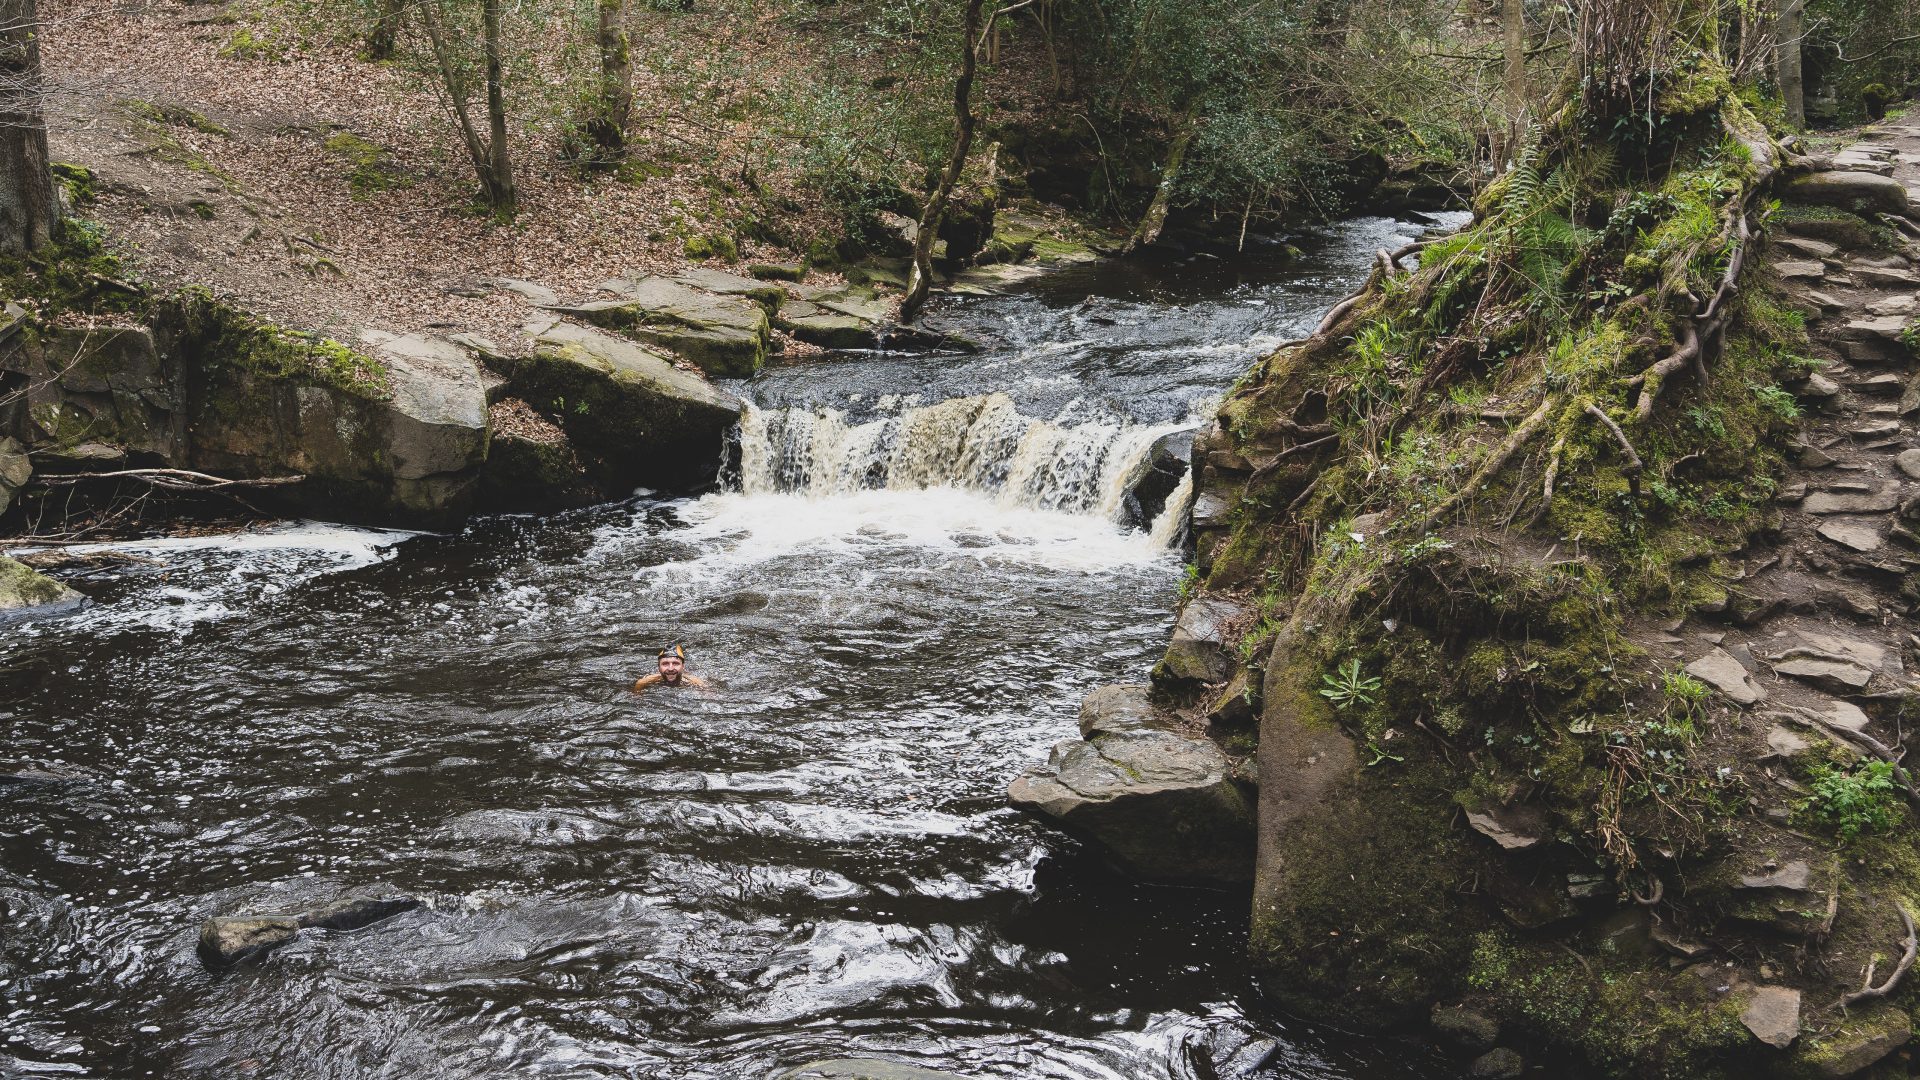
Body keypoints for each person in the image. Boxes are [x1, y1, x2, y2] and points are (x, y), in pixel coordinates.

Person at [633, 644, 707, 692]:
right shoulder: (642, 683)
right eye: (665, 664)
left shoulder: (697, 683)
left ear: (683, 666)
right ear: (658, 667)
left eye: (675, 663)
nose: (670, 668)